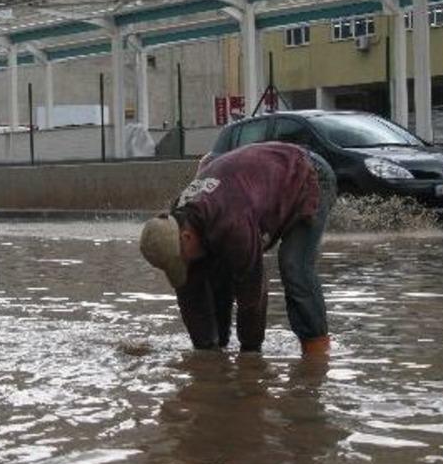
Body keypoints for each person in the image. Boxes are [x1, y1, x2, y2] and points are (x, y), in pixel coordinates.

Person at [139, 142, 337, 355]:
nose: (183, 266)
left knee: (293, 266)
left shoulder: (232, 221)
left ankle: (317, 351)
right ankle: (221, 342)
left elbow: (252, 295)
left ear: (186, 237)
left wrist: (250, 357)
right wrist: (206, 351)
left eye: (180, 261)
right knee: (210, 267)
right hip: (257, 185)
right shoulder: (177, 223)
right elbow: (191, 296)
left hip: (307, 173)